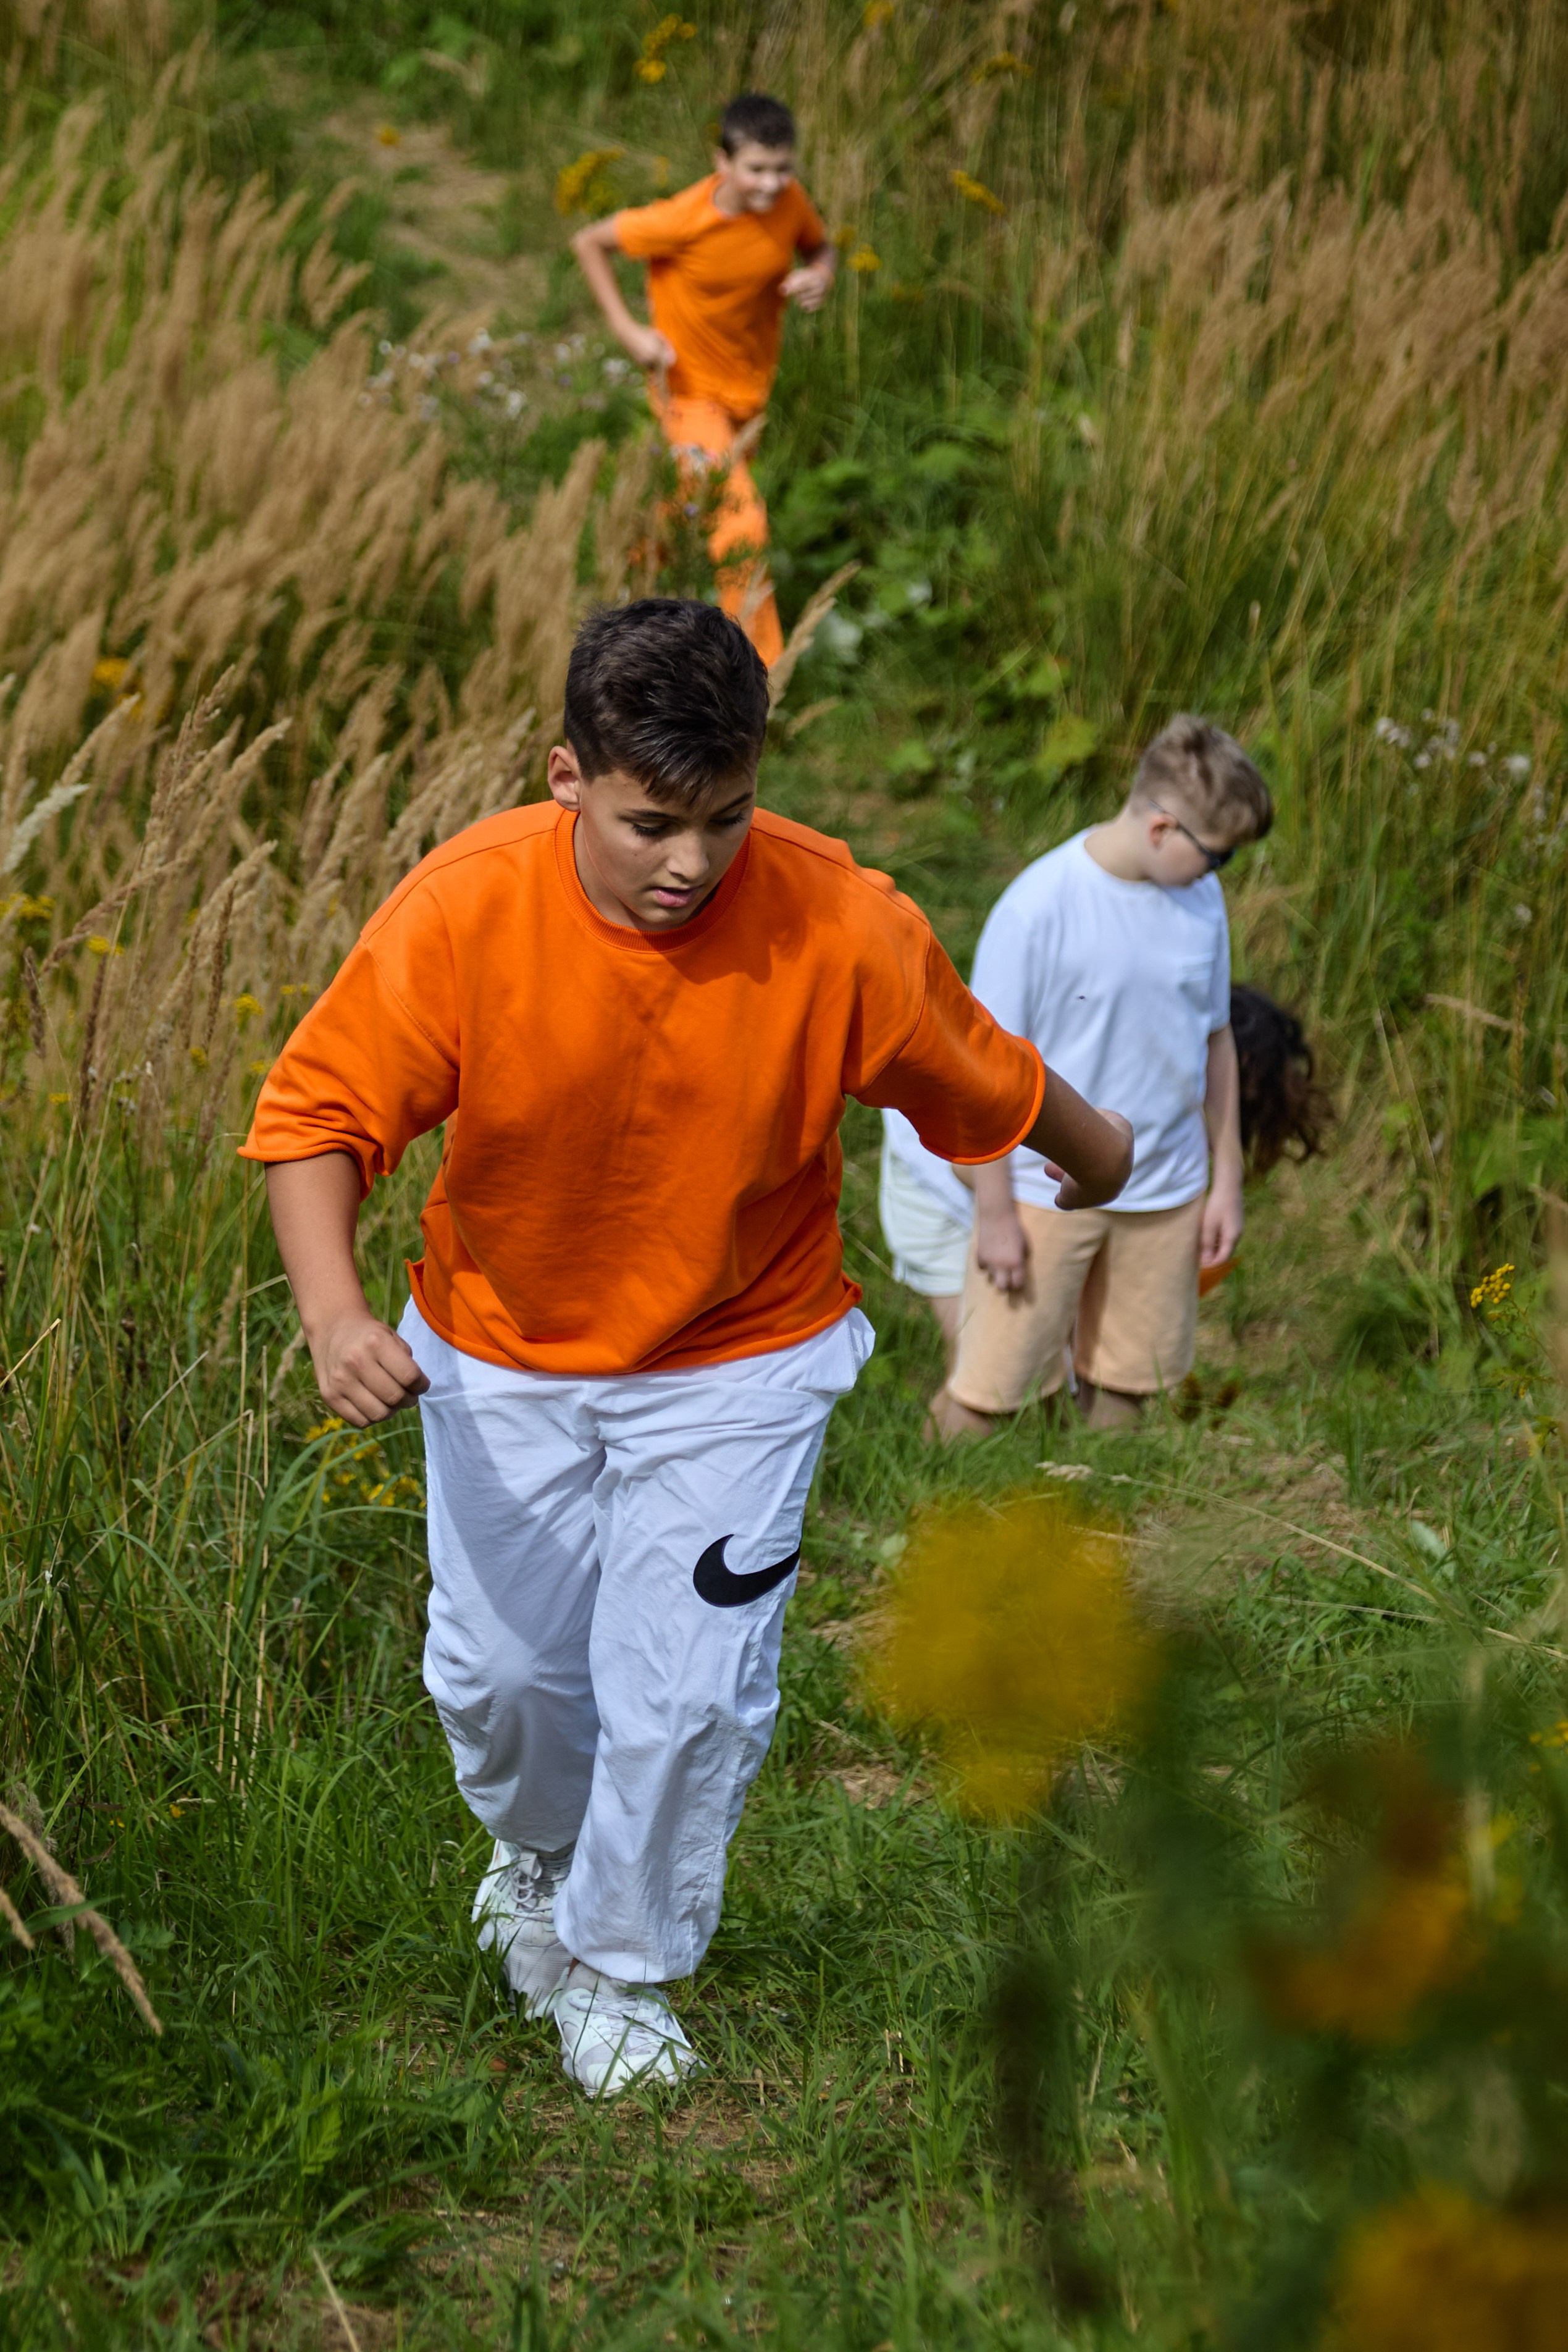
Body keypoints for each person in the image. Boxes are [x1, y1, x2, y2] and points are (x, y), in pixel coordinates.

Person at [245, 599, 1132, 2101]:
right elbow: (316, 1122)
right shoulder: (463, 911)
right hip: (500, 1352)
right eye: (651, 822)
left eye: (725, 819)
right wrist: (335, 1315)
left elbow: (971, 1068)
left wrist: (1101, 1158)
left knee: (688, 1690)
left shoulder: (834, 921)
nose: (689, 864)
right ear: (564, 778)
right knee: (505, 1680)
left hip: (741, 1357)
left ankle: (621, 1965)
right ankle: (535, 1863)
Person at [879, 716, 1273, 1440]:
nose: (1222, 875)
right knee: (987, 1395)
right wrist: (994, 1211)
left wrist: (1225, 1181)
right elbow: (980, 1066)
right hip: (1043, 1197)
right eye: (1218, 858)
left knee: (1126, 1387)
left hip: (1166, 1193)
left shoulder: (1199, 902)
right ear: (1162, 829)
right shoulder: (1038, 908)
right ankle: (931, 1514)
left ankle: (1095, 1522)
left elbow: (1215, 1040)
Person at [569, 92, 835, 667]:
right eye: (756, 170)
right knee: (740, 523)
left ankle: (618, 615)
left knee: (679, 519)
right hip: (687, 396)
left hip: (747, 396)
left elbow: (819, 245)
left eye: (782, 168)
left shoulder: (790, 202)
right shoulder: (680, 219)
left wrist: (820, 276)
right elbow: (589, 242)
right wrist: (629, 332)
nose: (771, 183)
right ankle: (762, 679)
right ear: (722, 162)